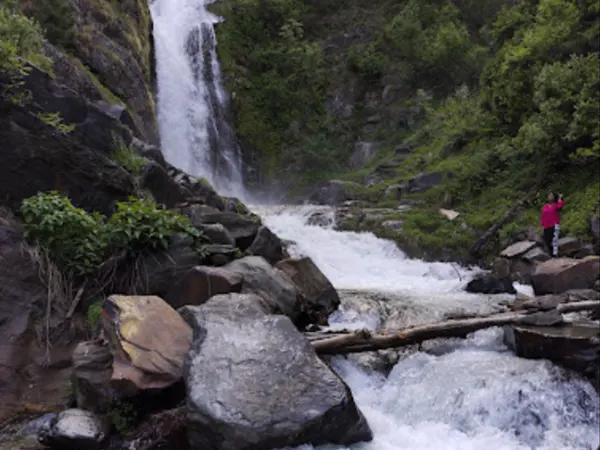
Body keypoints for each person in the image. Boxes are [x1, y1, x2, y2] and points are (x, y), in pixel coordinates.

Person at [540, 191, 564, 257]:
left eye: (551, 196)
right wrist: (542, 225)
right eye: (549, 196)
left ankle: (555, 255)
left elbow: (560, 205)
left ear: (554, 197)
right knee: (547, 241)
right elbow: (543, 216)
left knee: (554, 241)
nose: (549, 197)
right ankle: (550, 255)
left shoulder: (555, 205)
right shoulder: (545, 206)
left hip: (554, 225)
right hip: (546, 226)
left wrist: (560, 198)